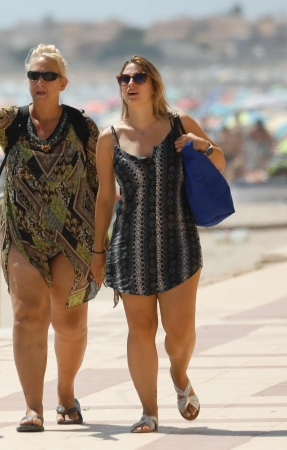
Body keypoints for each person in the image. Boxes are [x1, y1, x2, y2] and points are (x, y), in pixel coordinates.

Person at [0, 44, 101, 432]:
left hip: (74, 236)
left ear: (63, 82)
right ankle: (32, 407)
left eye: (47, 76)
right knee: (28, 316)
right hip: (23, 234)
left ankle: (66, 392)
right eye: (33, 76)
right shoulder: (14, 121)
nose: (39, 83)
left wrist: (102, 243)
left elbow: (104, 179)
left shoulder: (82, 126)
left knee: (69, 323)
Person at [92, 55, 225, 434]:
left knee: (179, 332)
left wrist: (202, 145)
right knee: (141, 328)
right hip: (128, 245)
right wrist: (97, 252)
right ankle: (149, 411)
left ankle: (180, 376)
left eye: (138, 77)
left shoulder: (181, 124)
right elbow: (104, 199)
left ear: (154, 84)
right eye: (123, 78)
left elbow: (220, 164)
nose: (129, 84)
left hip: (180, 241)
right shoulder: (109, 137)